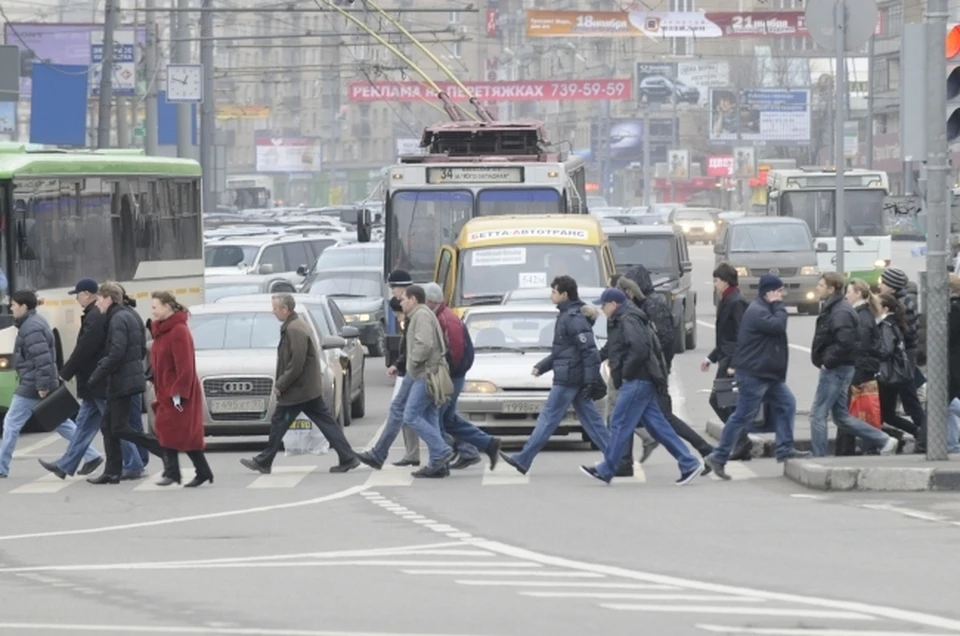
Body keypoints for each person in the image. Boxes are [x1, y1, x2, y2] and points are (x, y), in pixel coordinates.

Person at [581, 288, 703, 485]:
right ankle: (689, 462)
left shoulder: (628, 319)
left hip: (637, 379)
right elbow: (615, 348)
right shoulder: (624, 318)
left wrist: (626, 373)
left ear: (613, 304)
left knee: (618, 422)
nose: (602, 310)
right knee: (658, 426)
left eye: (603, 305)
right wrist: (594, 358)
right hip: (641, 379)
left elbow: (639, 349)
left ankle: (606, 469)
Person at [500, 276, 610, 475]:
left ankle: (523, 459)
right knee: (592, 421)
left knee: (548, 418)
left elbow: (590, 351)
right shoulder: (567, 315)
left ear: (564, 294)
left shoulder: (573, 318)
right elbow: (565, 351)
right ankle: (616, 458)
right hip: (571, 374)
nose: (551, 295)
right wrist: (543, 366)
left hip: (569, 378)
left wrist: (591, 379)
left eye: (554, 291)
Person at [703, 275, 811, 480]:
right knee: (741, 416)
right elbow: (778, 326)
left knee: (787, 404)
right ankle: (718, 457)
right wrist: (779, 305)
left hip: (767, 374)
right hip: (754, 374)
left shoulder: (764, 308)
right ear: (768, 292)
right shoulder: (758, 311)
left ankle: (785, 448)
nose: (783, 295)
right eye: (779, 291)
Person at [240, 294, 360, 475]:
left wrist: (281, 384)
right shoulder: (294, 325)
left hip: (299, 390)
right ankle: (348, 457)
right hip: (306, 389)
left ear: (285, 309)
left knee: (279, 422)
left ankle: (264, 461)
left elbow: (296, 363)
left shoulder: (294, 329)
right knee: (326, 423)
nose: (273, 312)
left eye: (275, 309)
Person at [41, 278, 144, 479]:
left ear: (88, 294)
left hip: (98, 382)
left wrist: (65, 372)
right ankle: (65, 464)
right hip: (94, 382)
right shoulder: (96, 314)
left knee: (115, 425)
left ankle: (134, 464)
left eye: (78, 295)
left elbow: (86, 349)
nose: (78, 299)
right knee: (84, 424)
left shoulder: (96, 316)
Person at [0, 291, 103, 478]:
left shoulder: (31, 328)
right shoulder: (33, 324)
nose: (11, 308)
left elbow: (43, 360)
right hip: (37, 382)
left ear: (24, 307)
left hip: (32, 384)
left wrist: (42, 385)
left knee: (11, 423)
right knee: (60, 421)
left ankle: (1, 467)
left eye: (14, 305)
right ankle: (92, 455)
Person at [615, 274, 714, 465]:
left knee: (664, 418)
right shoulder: (641, 307)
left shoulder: (652, 306)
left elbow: (664, 340)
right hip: (648, 374)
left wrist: (659, 369)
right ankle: (623, 461)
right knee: (628, 416)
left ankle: (704, 450)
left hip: (653, 374)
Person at [85, 282, 166, 485]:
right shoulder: (129, 315)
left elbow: (116, 353)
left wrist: (97, 374)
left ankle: (164, 450)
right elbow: (139, 351)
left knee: (119, 428)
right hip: (127, 379)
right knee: (108, 426)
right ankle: (112, 472)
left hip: (121, 382)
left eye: (100, 299)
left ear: (109, 299)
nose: (97, 304)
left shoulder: (117, 319)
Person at [808, 273, 897, 457]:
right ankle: (884, 439)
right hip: (842, 368)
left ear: (831, 289)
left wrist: (827, 362)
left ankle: (819, 457)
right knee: (841, 417)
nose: (818, 288)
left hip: (836, 369)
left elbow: (845, 343)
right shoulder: (839, 308)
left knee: (817, 414)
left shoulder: (840, 311)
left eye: (821, 285)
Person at [423, 282, 501, 470]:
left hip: (450, 377)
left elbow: (455, 352)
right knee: (449, 419)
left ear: (431, 301)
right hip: (452, 375)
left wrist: (445, 376)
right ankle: (483, 446)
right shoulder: (441, 315)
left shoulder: (445, 319)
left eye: (423, 301)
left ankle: (439, 460)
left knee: (435, 419)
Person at [149, 292, 213, 488]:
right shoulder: (162, 331)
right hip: (165, 389)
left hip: (177, 392)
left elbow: (185, 366)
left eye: (155, 307)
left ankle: (175, 472)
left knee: (175, 432)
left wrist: (177, 392)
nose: (153, 311)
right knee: (173, 432)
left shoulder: (178, 331)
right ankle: (198, 472)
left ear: (168, 306)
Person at [395, 284, 456, 477]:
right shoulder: (422, 314)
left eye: (403, 298)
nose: (401, 302)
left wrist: (412, 365)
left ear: (413, 299)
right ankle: (439, 465)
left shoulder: (420, 315)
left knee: (410, 415)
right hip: (430, 372)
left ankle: (441, 450)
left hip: (425, 373)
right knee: (430, 417)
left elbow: (424, 344)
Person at [878, 267, 926, 451]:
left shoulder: (901, 304)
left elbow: (907, 334)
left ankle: (927, 437)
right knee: (897, 406)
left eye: (883, 282)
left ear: (891, 287)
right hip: (904, 358)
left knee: (910, 401)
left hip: (902, 360)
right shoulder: (903, 300)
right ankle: (920, 433)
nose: (880, 285)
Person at [386, 269, 421, 468]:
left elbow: (418, 346)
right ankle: (413, 453)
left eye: (394, 287)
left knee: (406, 413)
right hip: (411, 371)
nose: (393, 292)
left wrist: (405, 365)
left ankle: (447, 448)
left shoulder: (416, 314)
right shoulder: (410, 313)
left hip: (416, 372)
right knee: (411, 414)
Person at [947, 274, 960, 453]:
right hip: (952, 362)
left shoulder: (955, 309)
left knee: (945, 403)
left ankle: (952, 444)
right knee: (945, 404)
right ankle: (951, 443)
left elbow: (951, 335)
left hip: (954, 362)